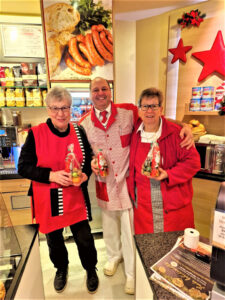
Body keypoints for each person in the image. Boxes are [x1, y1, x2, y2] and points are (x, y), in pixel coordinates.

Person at [79, 77, 194, 295]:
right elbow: (85, 156)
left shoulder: (128, 112)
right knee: (110, 227)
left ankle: (131, 273)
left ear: (110, 91)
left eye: (104, 88)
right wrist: (92, 163)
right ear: (90, 94)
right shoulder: (83, 123)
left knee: (129, 230)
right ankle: (113, 257)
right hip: (104, 183)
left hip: (127, 183)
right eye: (96, 90)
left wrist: (184, 125)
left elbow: (154, 118)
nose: (100, 93)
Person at [18, 86, 99, 294]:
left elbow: (88, 160)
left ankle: (91, 269)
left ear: (70, 109)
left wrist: (85, 175)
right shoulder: (36, 134)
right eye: (55, 108)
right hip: (49, 196)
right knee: (54, 241)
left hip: (75, 195)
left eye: (65, 108)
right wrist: (51, 175)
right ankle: (61, 269)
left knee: (84, 238)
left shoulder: (78, 131)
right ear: (48, 109)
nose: (60, 114)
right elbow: (23, 167)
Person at [128, 87, 201, 234]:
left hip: (173, 209)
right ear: (139, 110)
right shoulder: (134, 132)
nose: (149, 111)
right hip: (143, 210)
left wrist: (168, 174)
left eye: (154, 106)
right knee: (149, 250)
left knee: (175, 252)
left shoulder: (177, 134)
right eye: (145, 106)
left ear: (161, 109)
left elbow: (193, 163)